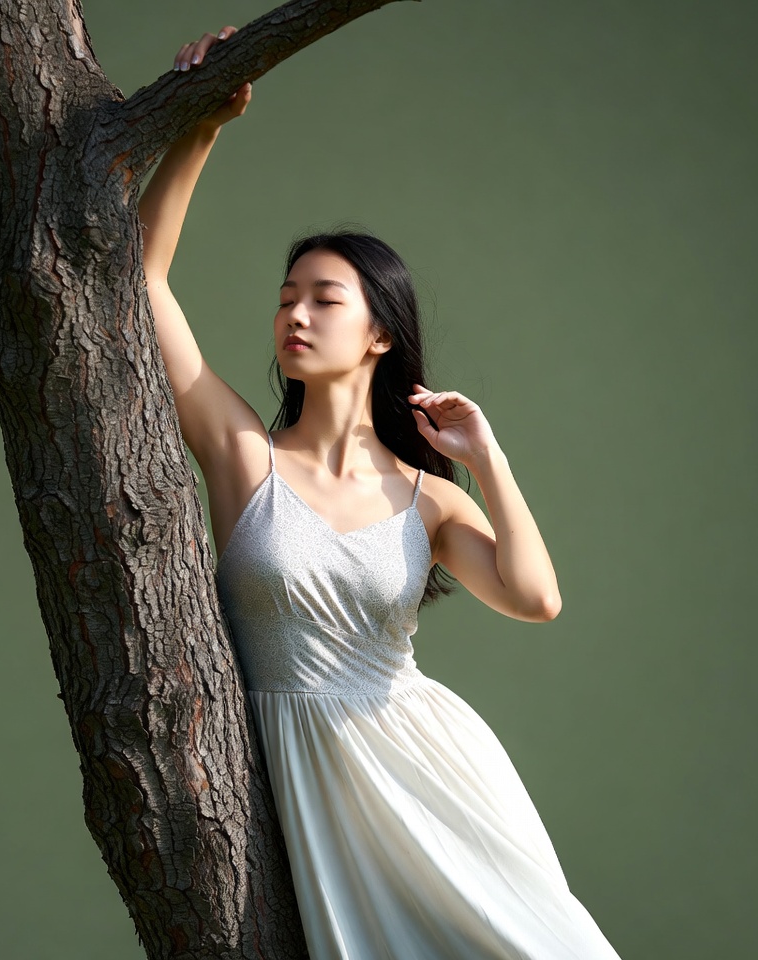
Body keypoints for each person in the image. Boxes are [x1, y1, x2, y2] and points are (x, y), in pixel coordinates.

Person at [139, 26, 622, 960]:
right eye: (286, 297)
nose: (295, 313)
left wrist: (488, 460)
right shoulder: (243, 456)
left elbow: (536, 599)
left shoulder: (429, 500)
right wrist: (199, 125)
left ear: (379, 334)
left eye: (324, 299)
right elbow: (143, 279)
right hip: (314, 785)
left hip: (431, 774)